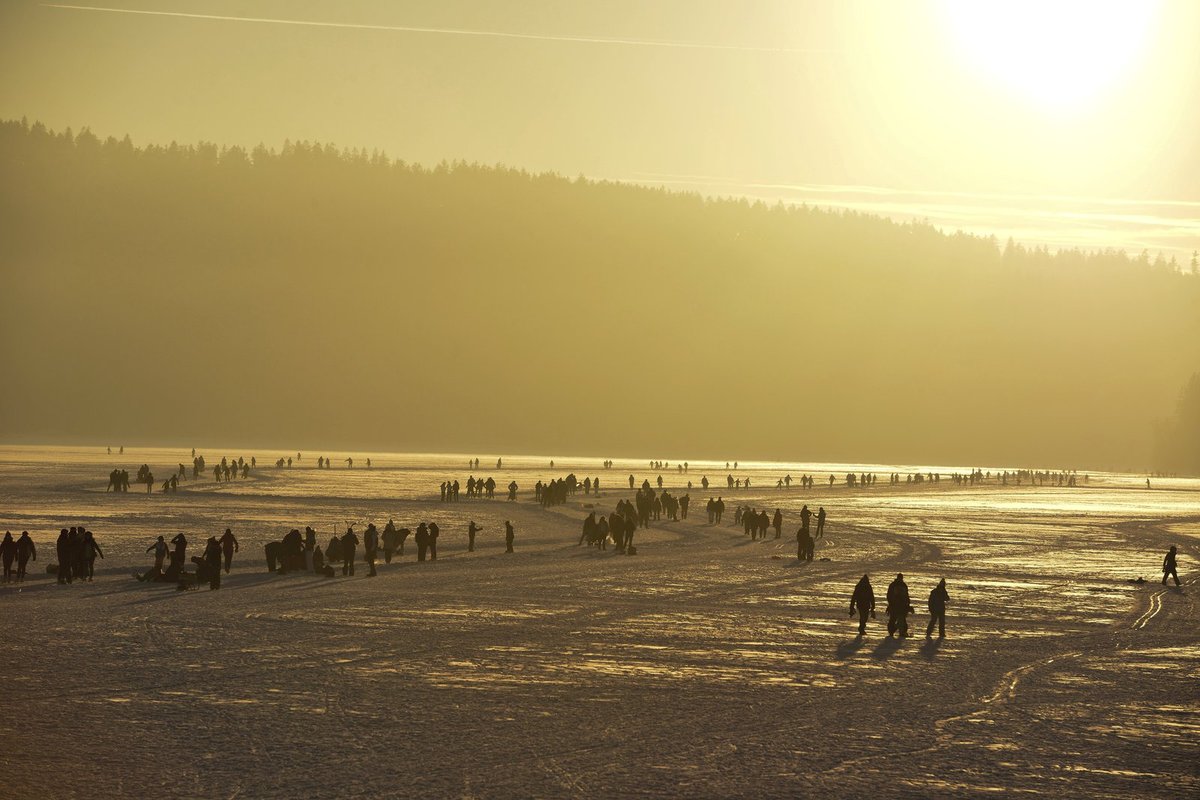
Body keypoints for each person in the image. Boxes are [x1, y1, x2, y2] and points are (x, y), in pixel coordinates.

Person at [886, 573, 912, 638]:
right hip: (896, 605)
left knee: (899, 619)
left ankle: (899, 631)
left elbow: (906, 595)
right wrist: (891, 603)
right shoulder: (897, 585)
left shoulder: (901, 585)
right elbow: (889, 595)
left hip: (899, 606)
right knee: (895, 619)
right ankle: (894, 631)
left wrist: (908, 603)